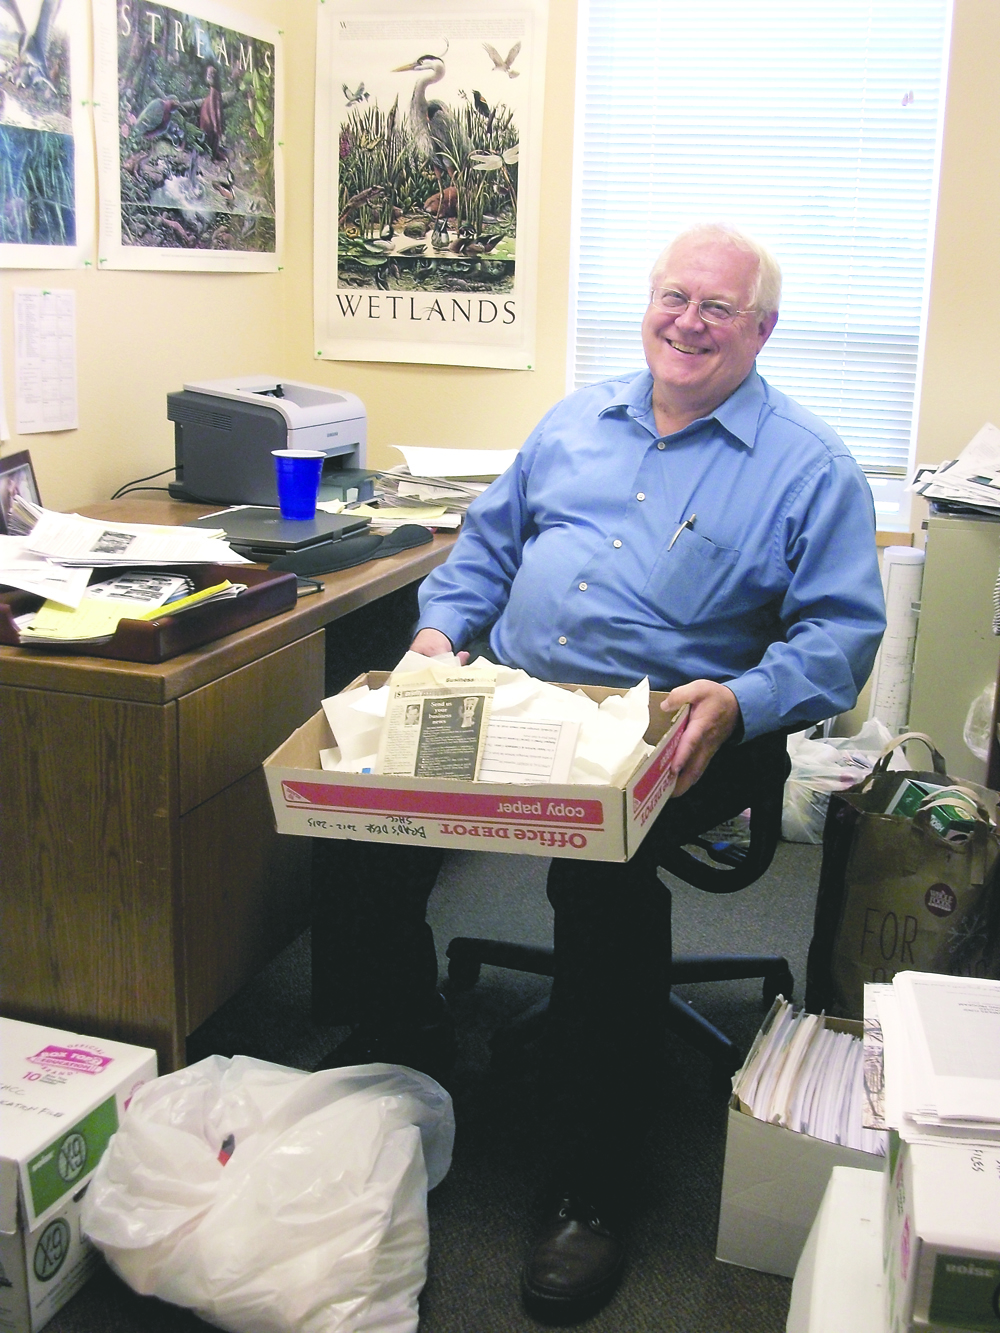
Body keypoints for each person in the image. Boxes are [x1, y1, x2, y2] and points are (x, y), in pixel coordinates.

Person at [316, 223, 886, 1324]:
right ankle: (400, 1047)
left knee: (600, 872)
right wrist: (440, 637)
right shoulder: (573, 421)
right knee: (360, 808)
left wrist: (737, 701)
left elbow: (837, 639)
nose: (688, 322)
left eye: (718, 309)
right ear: (648, 304)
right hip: (519, 699)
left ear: (760, 330)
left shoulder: (808, 466)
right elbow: (484, 545)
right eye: (674, 296)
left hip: (680, 729)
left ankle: (593, 1179)